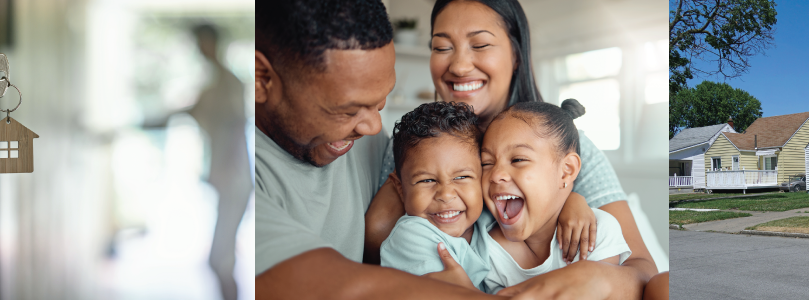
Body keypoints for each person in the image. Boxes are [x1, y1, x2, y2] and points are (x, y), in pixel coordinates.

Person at [365, 0, 663, 297]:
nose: (458, 66)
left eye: (480, 45)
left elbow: (644, 272)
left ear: (516, 55)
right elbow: (374, 246)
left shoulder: (567, 144)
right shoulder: (412, 146)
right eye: (442, 48)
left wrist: (591, 269)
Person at [254, 0, 503, 298]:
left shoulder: (363, 139)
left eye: (380, 102)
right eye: (347, 110)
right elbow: (325, 285)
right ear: (261, 78)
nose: (373, 127)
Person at [477, 99, 630, 293]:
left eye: (518, 159)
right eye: (486, 163)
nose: (496, 174)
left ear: (566, 171)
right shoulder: (485, 251)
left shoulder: (597, 233)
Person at [378, 101, 491, 290]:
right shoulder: (411, 236)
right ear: (400, 188)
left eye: (462, 177)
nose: (446, 195)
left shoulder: (486, 219)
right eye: (427, 180)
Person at [187, 23, 252, 299]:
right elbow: (189, 112)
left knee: (219, 259)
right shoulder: (213, 84)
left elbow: (238, 125)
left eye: (204, 42)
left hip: (234, 178)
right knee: (223, 257)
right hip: (226, 178)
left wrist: (225, 167)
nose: (201, 49)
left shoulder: (229, 82)